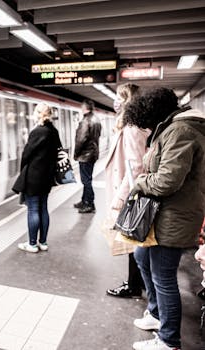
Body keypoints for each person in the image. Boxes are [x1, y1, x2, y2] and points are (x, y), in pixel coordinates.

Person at [125, 87, 205, 350]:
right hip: (166, 214)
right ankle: (157, 314)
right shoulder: (175, 128)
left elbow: (166, 182)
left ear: (157, 115)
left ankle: (169, 340)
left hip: (174, 216)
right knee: (141, 257)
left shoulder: (181, 131)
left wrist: (140, 181)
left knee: (164, 277)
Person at [104, 84, 149, 299]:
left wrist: (121, 198)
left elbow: (135, 165)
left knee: (131, 238)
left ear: (127, 101)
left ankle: (133, 286)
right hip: (129, 189)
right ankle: (134, 282)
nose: (115, 102)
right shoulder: (132, 126)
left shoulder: (132, 128)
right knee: (131, 239)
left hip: (129, 193)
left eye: (118, 98)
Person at [12, 102, 61, 253]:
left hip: (34, 176)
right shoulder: (53, 131)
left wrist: (22, 171)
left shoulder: (37, 132)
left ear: (38, 114)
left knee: (33, 209)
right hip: (47, 177)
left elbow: (26, 154)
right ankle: (43, 242)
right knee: (43, 208)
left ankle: (32, 244)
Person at [73, 99, 102, 213]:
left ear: (85, 108)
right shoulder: (96, 120)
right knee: (87, 179)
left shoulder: (86, 121)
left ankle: (89, 203)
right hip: (93, 153)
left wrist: (76, 153)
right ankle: (84, 200)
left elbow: (81, 139)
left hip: (85, 155)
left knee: (86, 180)